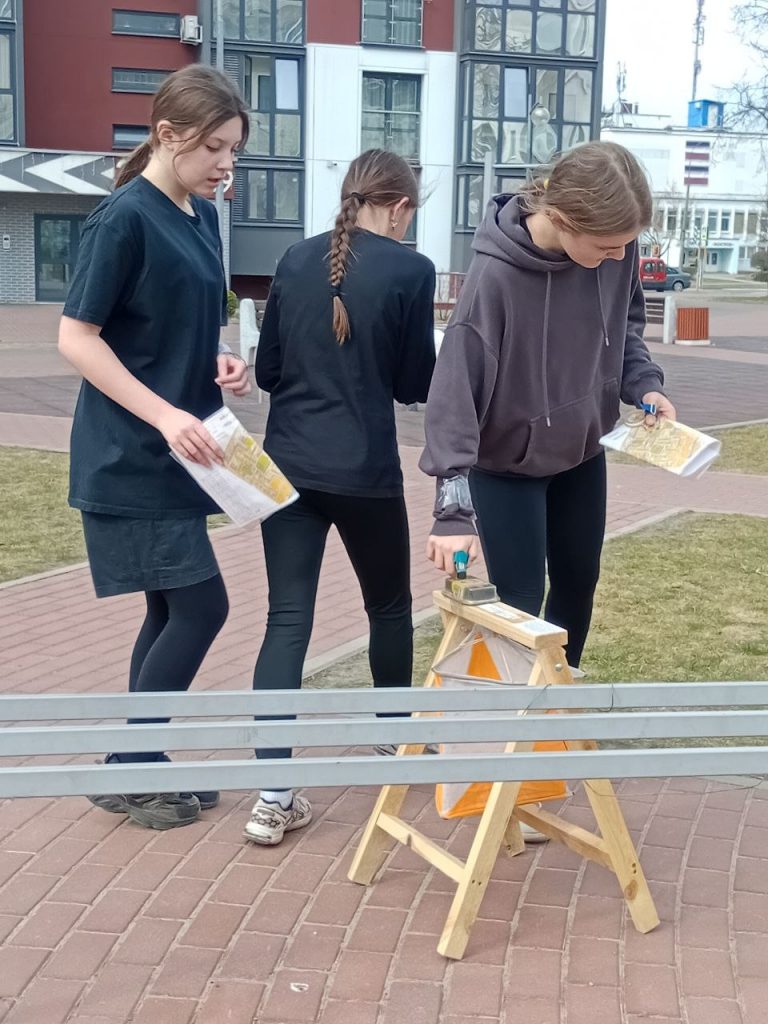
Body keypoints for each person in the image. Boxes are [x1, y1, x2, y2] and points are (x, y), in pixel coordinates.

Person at [58, 66, 251, 831]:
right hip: (131, 457)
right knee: (203, 607)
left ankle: (138, 759)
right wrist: (167, 415)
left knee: (170, 607)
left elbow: (180, 320)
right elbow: (77, 338)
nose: (225, 164)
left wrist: (220, 357)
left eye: (233, 149)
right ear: (167, 134)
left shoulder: (199, 216)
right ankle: (131, 764)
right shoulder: (123, 219)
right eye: (214, 147)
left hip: (183, 454)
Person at [421, 141, 676, 671]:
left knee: (579, 582)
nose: (618, 256)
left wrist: (645, 386)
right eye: (607, 246)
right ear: (561, 219)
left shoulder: (616, 249)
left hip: (582, 454)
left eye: (625, 245)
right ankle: (511, 715)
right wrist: (452, 512)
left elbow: (624, 329)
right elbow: (453, 394)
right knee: (519, 600)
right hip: (508, 466)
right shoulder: (494, 280)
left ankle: (558, 704)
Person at [243, 149, 436, 846]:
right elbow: (415, 384)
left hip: (288, 465)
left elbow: (267, 372)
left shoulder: (295, 259)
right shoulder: (411, 270)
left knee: (285, 619)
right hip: (362, 469)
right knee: (388, 607)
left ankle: (272, 796)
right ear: (401, 206)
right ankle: (393, 741)